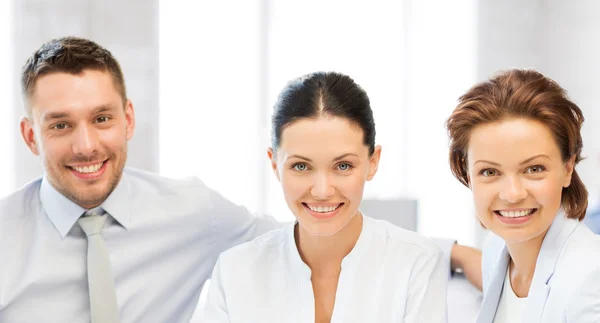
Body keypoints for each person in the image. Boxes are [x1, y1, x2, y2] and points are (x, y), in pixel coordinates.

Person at [0, 37, 477, 322]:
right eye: (60, 124)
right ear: (29, 135)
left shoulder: (192, 210)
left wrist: (446, 252)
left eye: (101, 118)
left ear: (128, 119)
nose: (86, 145)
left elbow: (311, 230)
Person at [203, 71, 448, 323]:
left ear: (372, 162)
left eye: (342, 166)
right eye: (301, 166)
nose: (322, 191)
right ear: (275, 165)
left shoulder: (417, 264)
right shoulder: (235, 271)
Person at [446, 68, 600, 322]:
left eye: (534, 169)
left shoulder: (591, 276)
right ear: (468, 175)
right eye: (489, 171)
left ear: (567, 168)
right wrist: (450, 252)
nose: (513, 194)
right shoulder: (498, 249)